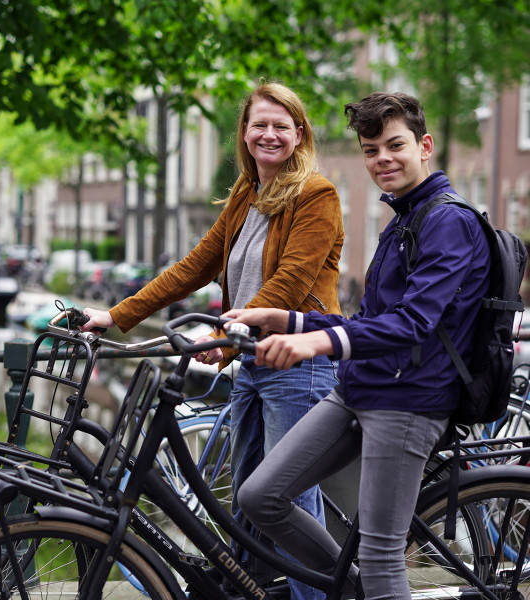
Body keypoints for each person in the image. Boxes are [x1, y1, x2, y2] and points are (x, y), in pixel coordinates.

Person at [79, 81, 345, 600]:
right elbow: (194, 267)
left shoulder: (318, 196)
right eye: (258, 125)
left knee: (288, 502)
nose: (268, 134)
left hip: (299, 363)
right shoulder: (248, 195)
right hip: (253, 362)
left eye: (280, 126)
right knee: (248, 501)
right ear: (243, 133)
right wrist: (114, 315)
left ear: (299, 134)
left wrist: (220, 336)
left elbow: (287, 284)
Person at [221, 92, 491, 600]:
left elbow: (413, 324)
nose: (382, 160)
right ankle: (345, 591)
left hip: (408, 401)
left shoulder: (447, 222)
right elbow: (367, 319)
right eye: (370, 150)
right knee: (261, 496)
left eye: (394, 146)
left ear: (424, 146)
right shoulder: (403, 219)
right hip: (360, 388)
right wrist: (289, 318)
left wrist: (314, 344)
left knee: (383, 556)